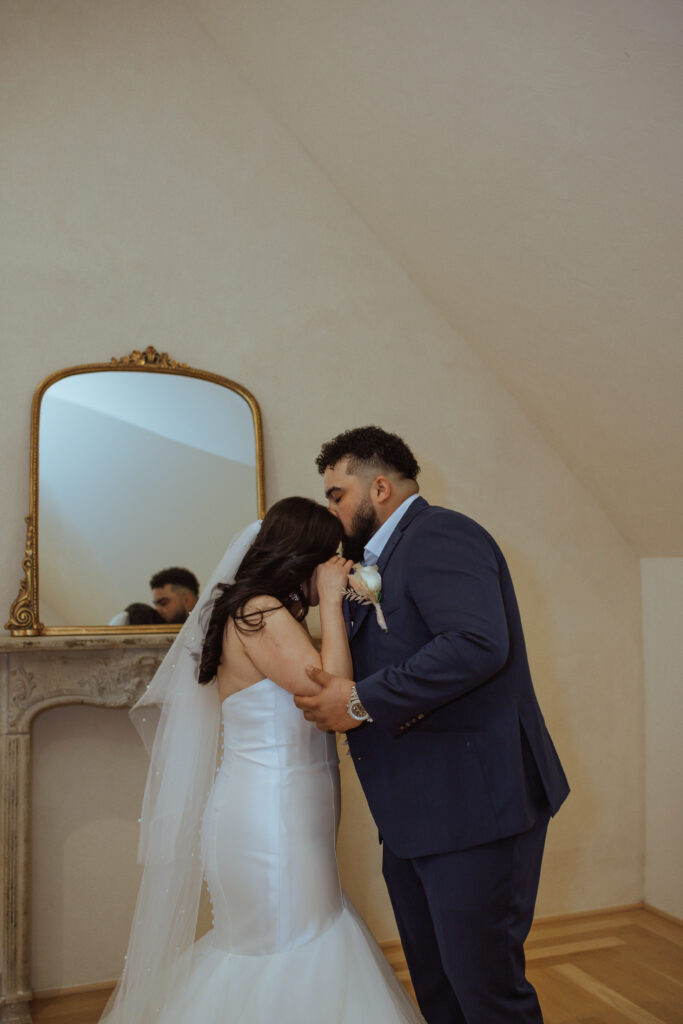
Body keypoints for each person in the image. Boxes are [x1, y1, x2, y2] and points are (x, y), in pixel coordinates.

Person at [101, 498, 424, 1024]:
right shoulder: (258, 613)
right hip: (268, 819)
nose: (334, 568)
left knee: (305, 938)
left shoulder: (269, 615)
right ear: (305, 557)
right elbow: (332, 690)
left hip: (291, 811)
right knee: (286, 949)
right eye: (328, 558)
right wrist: (331, 601)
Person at [295, 426, 570, 1024]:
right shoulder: (378, 559)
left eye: (337, 494)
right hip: (417, 812)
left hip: (475, 808)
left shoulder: (442, 533)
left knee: (488, 993)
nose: (332, 509)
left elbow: (476, 644)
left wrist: (361, 701)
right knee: (439, 988)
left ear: (382, 488)